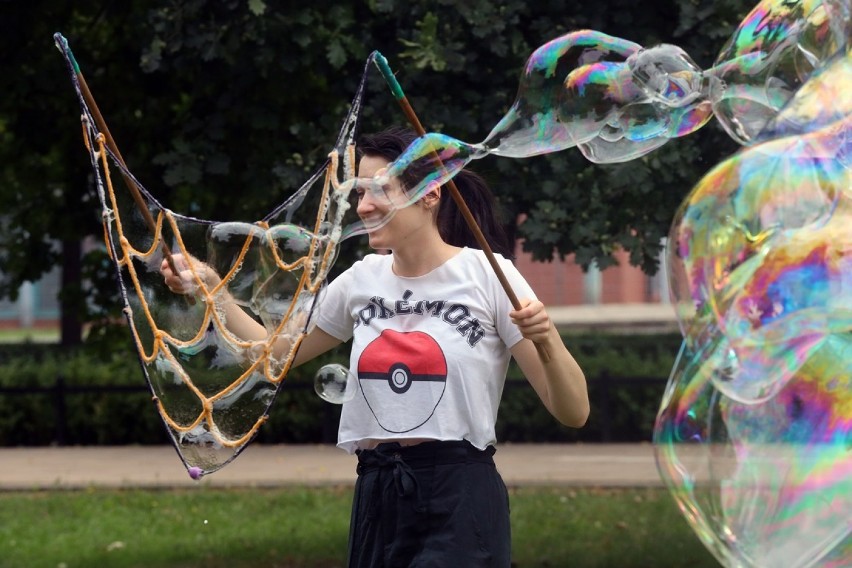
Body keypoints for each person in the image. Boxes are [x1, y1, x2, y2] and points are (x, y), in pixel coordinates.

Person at [162, 126, 589, 567]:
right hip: (378, 493)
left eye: (379, 190)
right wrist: (213, 292)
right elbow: (271, 355)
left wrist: (547, 339)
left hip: (460, 494)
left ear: (429, 194)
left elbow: (574, 411)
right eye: (360, 191)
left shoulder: (489, 275)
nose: (363, 205)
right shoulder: (362, 279)